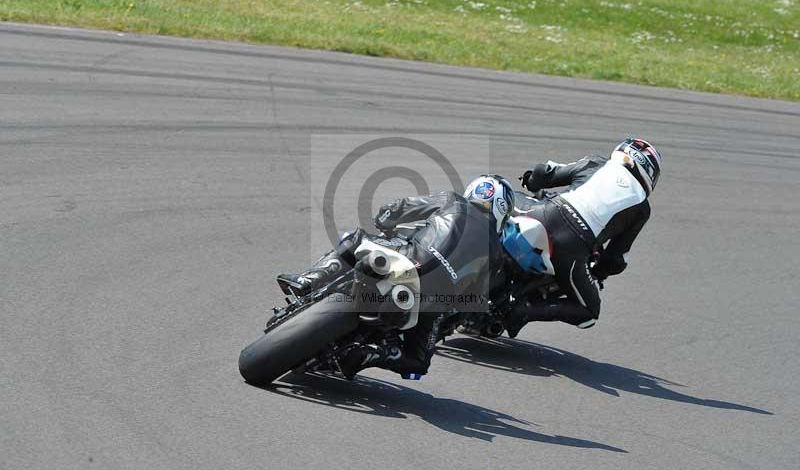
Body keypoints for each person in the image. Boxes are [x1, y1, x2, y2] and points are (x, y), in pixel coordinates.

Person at [277, 175, 515, 378]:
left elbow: (400, 208)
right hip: (433, 301)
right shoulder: (495, 251)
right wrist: (449, 319)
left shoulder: (453, 201)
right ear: (502, 212)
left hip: (410, 257)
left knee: (356, 238)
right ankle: (375, 354)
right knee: (417, 364)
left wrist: (385, 221)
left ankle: (309, 279)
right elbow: (473, 303)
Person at [504, 138, 661, 337]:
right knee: (590, 312)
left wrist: (531, 180)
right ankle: (523, 312)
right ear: (649, 173)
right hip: (572, 247)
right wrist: (598, 273)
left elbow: (546, 172)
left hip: (543, 212)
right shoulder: (641, 208)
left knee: (501, 198)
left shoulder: (596, 163)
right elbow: (616, 259)